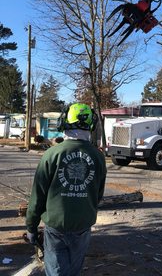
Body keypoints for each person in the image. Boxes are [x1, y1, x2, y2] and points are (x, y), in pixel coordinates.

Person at [26, 103, 107, 276]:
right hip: (83, 226)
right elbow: (97, 194)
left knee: (56, 271)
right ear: (91, 125)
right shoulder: (98, 157)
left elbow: (37, 196)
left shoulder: (51, 154)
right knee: (73, 271)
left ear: (65, 122)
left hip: (56, 226)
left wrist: (31, 227)